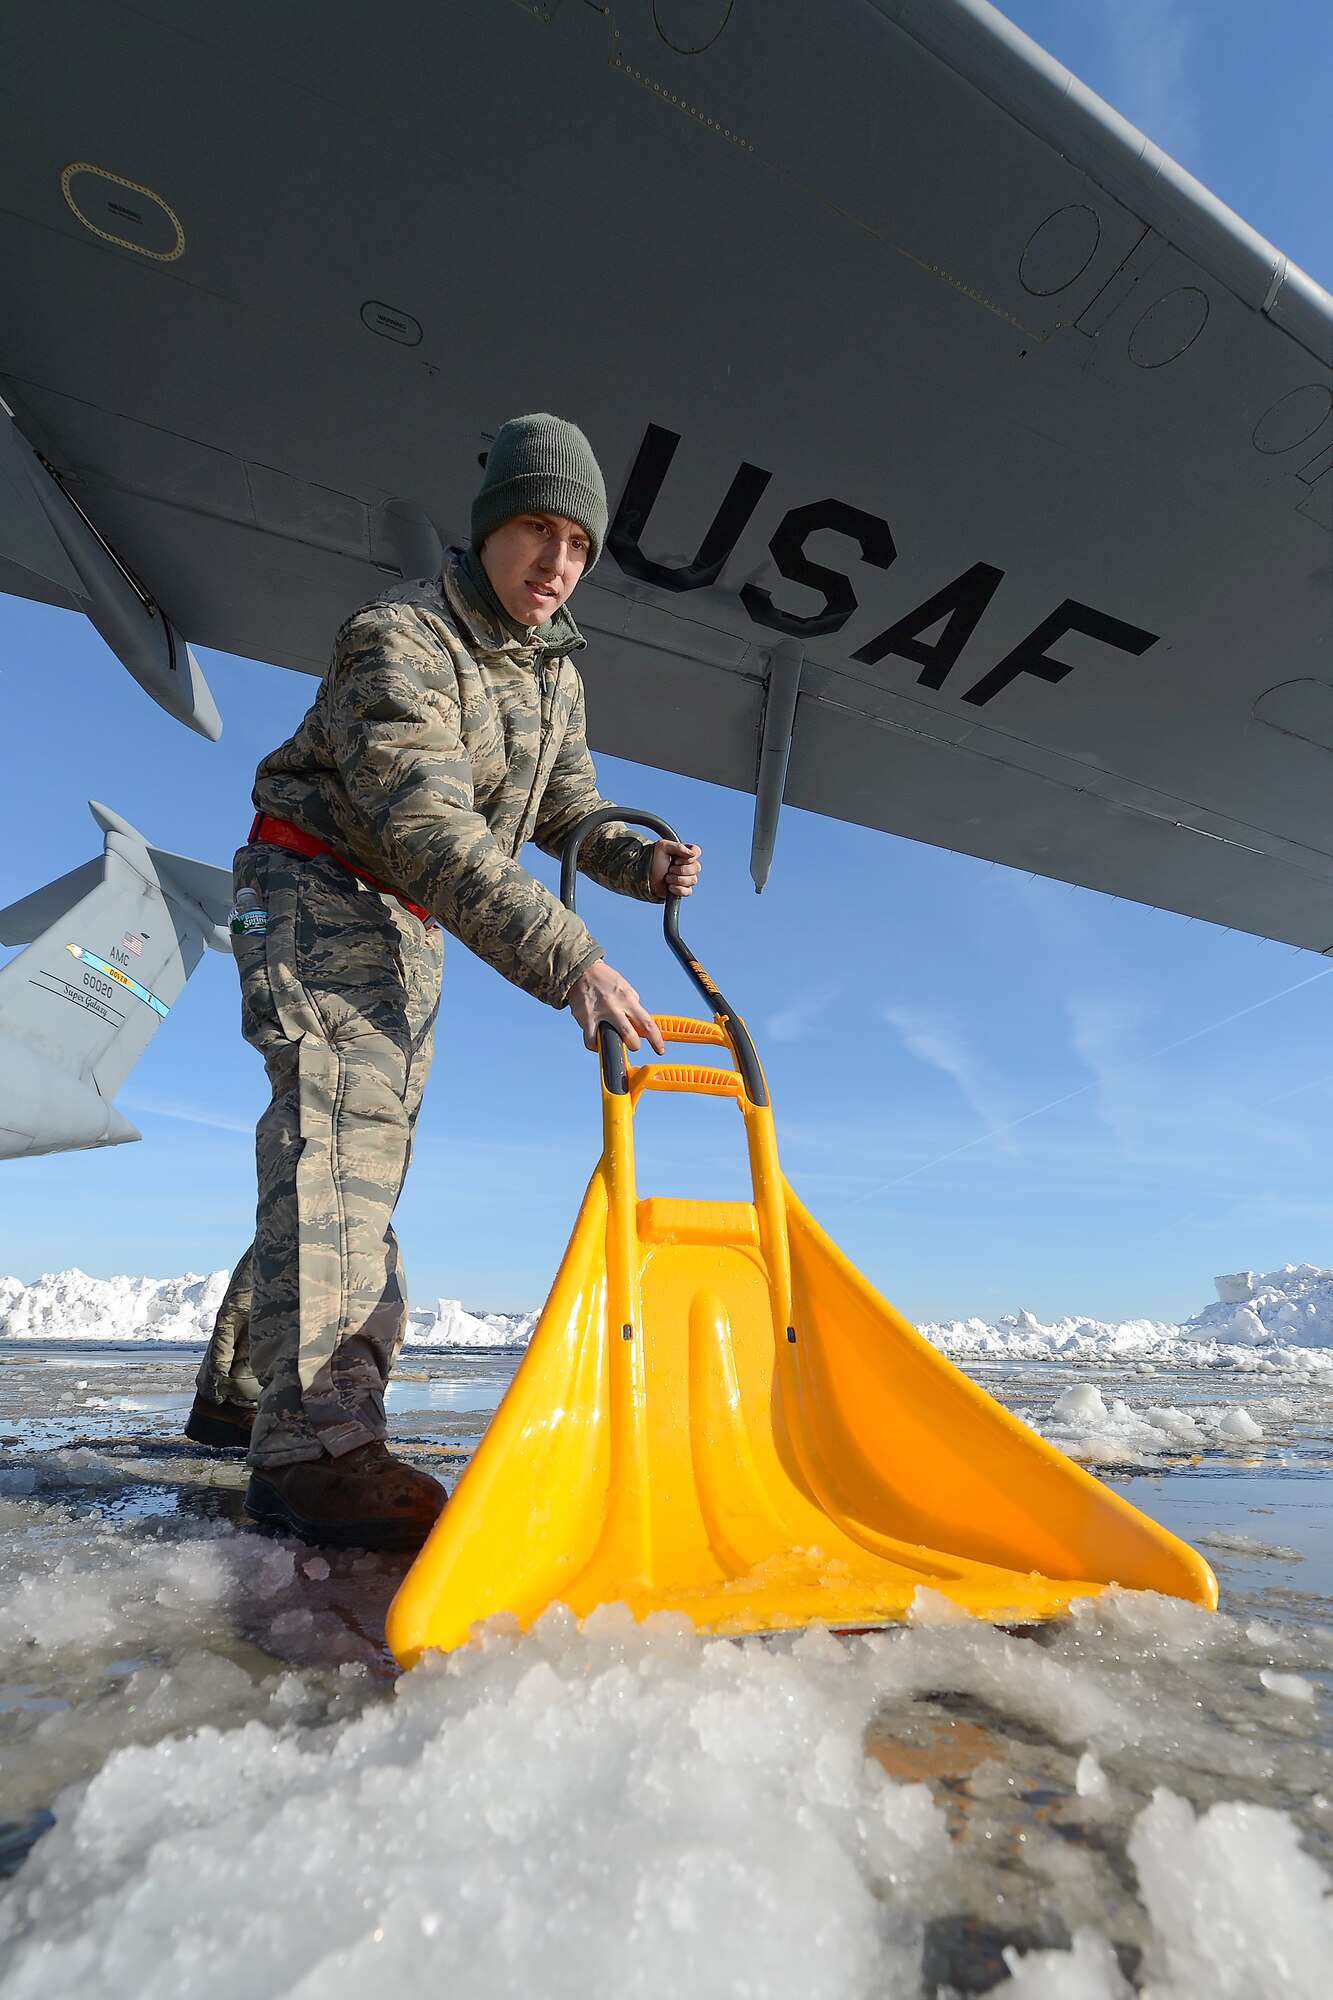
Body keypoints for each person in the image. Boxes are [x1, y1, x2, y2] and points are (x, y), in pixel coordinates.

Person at [185, 414, 701, 1549]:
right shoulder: (399, 636)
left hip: (408, 921)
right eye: (536, 529)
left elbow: (563, 808)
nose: (556, 562)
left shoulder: (553, 673)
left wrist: (635, 862)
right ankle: (315, 1442)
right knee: (341, 1127)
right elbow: (424, 822)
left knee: (349, 1145)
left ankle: (236, 1392)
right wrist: (569, 955)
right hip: (319, 883)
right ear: (489, 528)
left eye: (578, 543)